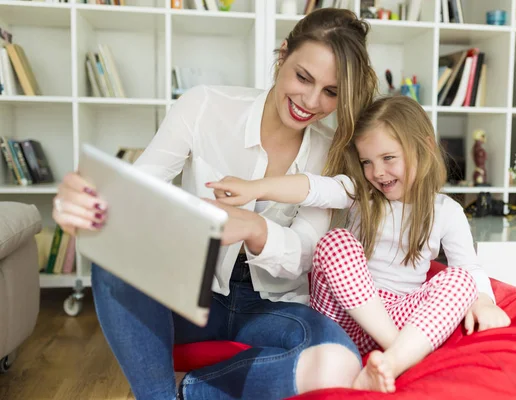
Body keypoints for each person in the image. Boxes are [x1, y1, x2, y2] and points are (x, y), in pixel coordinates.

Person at [51, 8, 380, 400]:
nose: (310, 101)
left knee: (340, 361)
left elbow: (305, 254)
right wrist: (84, 209)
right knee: (114, 253)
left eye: (331, 92)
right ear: (283, 54)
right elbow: (136, 193)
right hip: (191, 292)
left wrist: (255, 228)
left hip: (270, 306)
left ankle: (190, 393)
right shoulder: (204, 106)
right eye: (303, 77)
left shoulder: (331, 151)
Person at [206, 95, 512, 394]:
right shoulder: (360, 193)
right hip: (345, 317)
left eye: (389, 158)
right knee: (336, 242)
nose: (377, 172)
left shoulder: (446, 211)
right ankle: (401, 355)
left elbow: (468, 268)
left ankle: (389, 364)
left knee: (460, 281)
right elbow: (310, 188)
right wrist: (253, 189)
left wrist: (483, 300)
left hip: (401, 314)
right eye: (368, 161)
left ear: (425, 147)